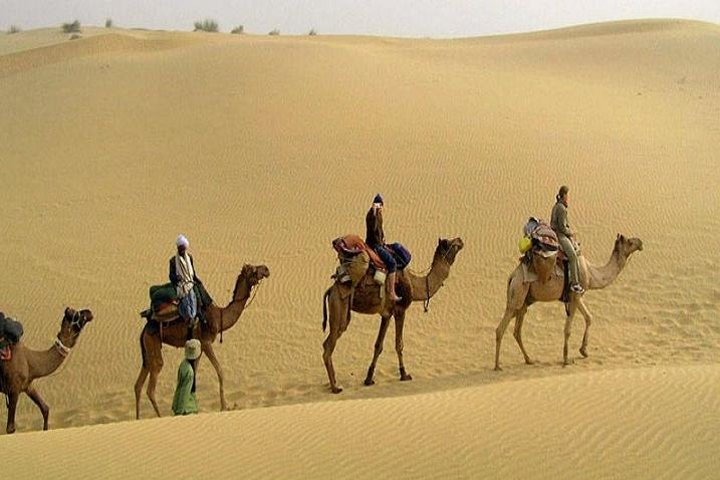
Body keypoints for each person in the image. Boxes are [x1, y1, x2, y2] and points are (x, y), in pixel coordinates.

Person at [365, 193, 402, 302]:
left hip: (380, 243)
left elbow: (380, 231)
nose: (380, 207)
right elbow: (374, 228)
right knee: (392, 263)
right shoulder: (371, 215)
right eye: (378, 205)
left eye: (380, 205)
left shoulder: (379, 215)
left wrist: (383, 240)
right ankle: (391, 293)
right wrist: (374, 213)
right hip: (374, 245)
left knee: (396, 255)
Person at [551, 186, 584, 294]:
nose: (568, 197)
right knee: (573, 256)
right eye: (567, 195)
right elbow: (562, 227)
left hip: (556, 233)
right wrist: (571, 232)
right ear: (564, 195)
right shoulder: (561, 209)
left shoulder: (556, 206)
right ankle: (575, 284)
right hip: (560, 235)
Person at [169, 235, 203, 337]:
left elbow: (192, 272)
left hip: (190, 282)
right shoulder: (173, 261)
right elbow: (171, 276)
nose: (182, 250)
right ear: (178, 248)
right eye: (181, 249)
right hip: (180, 284)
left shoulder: (190, 258)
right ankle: (189, 318)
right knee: (186, 299)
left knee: (197, 297)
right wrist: (176, 278)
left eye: (184, 248)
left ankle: (199, 316)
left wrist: (197, 280)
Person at [172, 339, 201, 416]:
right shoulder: (189, 372)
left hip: (179, 403)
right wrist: (180, 412)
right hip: (187, 409)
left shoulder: (183, 364)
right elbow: (185, 392)